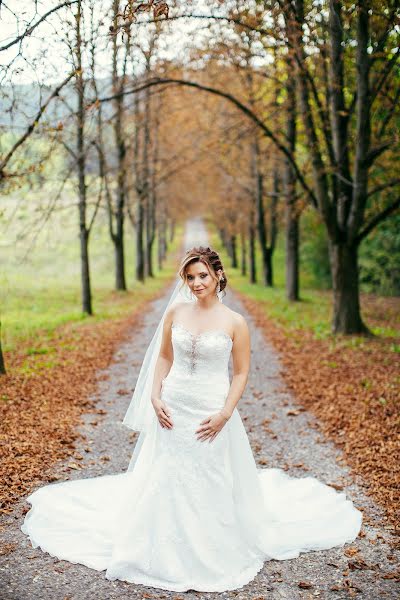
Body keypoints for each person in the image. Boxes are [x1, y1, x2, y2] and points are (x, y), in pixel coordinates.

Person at [21, 246, 362, 593]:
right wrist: (155, 396)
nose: (197, 283)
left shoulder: (234, 322)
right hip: (173, 406)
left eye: (203, 276)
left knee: (209, 476)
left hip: (211, 409)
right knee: (166, 474)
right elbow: (165, 357)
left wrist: (225, 413)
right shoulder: (176, 312)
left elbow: (242, 372)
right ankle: (157, 547)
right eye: (190, 277)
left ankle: (209, 548)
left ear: (218, 276)